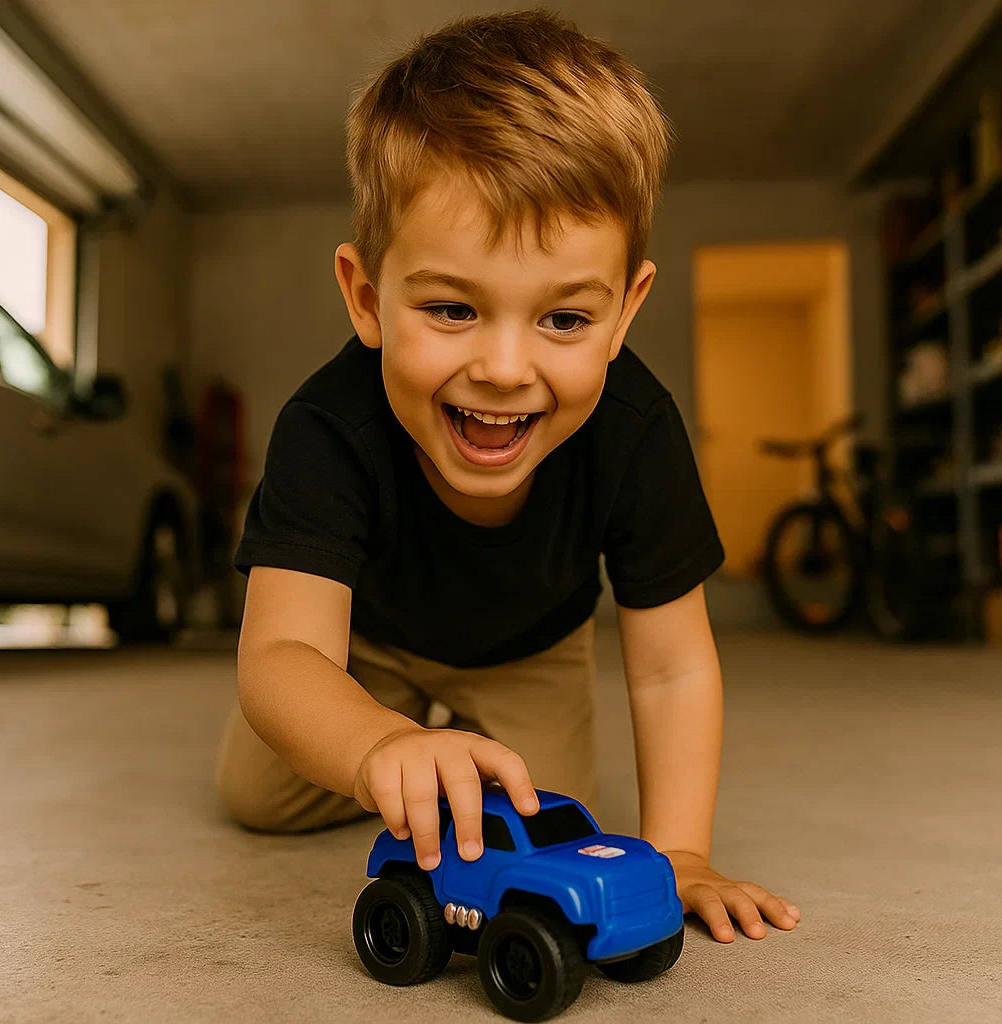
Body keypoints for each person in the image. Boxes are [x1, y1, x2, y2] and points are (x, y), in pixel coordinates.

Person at [216, 8, 801, 944]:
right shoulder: (327, 426)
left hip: (534, 645)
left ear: (624, 312)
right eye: (452, 307)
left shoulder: (636, 429)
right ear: (367, 298)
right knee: (257, 792)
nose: (502, 367)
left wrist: (680, 853)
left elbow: (673, 666)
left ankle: (444, 738)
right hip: (366, 644)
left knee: (549, 821)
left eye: (564, 320)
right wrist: (377, 742)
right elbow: (282, 658)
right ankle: (408, 722)